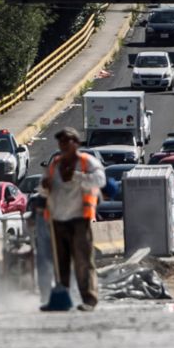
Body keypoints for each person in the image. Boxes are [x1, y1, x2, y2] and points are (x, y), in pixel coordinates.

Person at [41, 127, 106, 311]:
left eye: (67, 140)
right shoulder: (55, 164)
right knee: (60, 263)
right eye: (60, 141)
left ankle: (89, 299)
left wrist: (77, 176)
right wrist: (44, 187)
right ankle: (62, 299)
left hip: (79, 219)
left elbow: (100, 180)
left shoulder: (86, 162)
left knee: (83, 261)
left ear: (76, 143)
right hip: (58, 219)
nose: (63, 144)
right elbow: (43, 188)